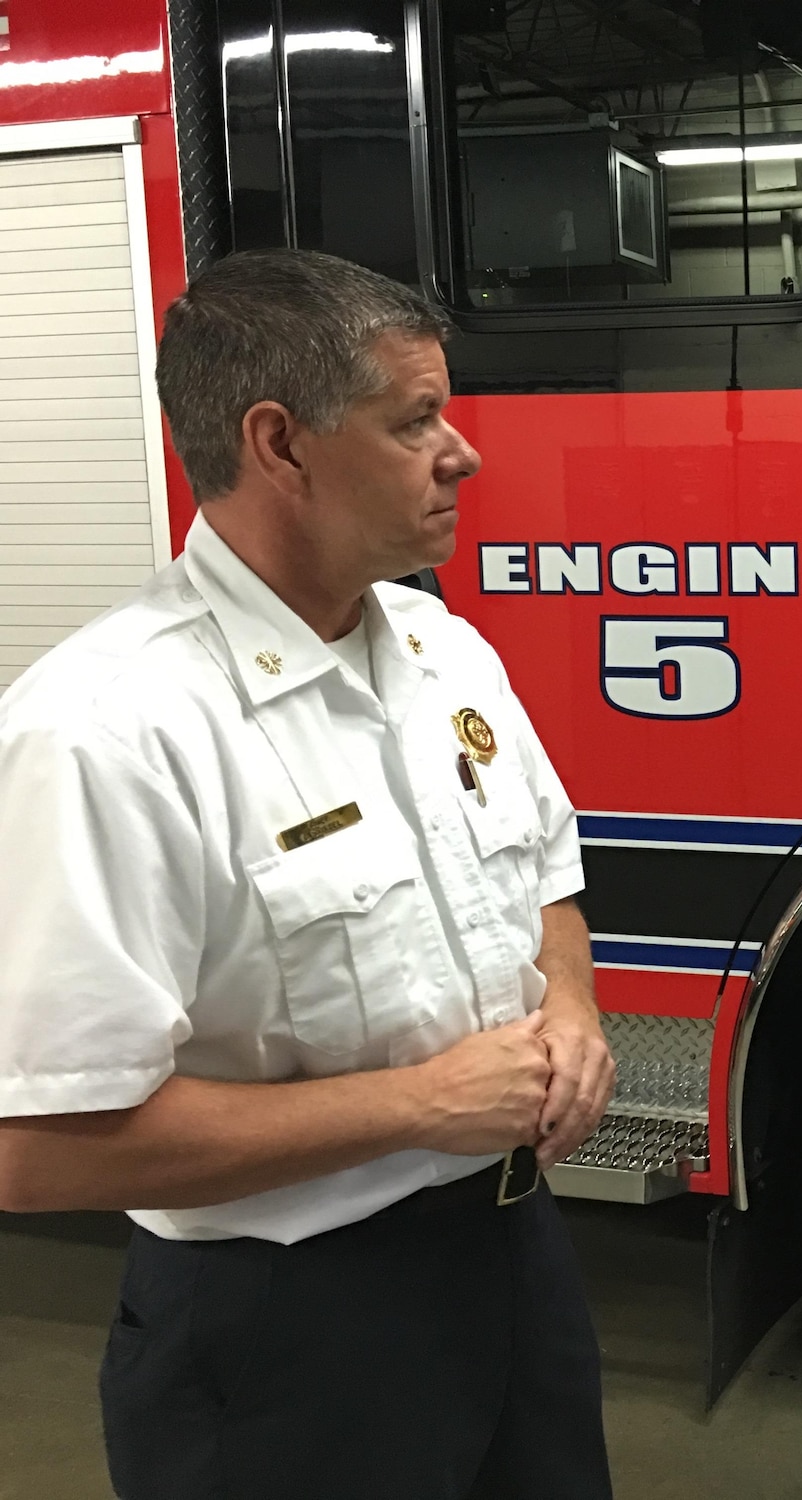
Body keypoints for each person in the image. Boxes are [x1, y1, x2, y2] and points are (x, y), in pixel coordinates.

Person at [0, 249, 616, 1500]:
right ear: (279, 444)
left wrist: (574, 1009)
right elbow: (40, 1151)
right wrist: (415, 1108)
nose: (464, 453)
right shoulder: (111, 730)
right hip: (281, 1330)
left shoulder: (445, 651)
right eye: (415, 421)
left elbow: (546, 872)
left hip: (510, 1264)